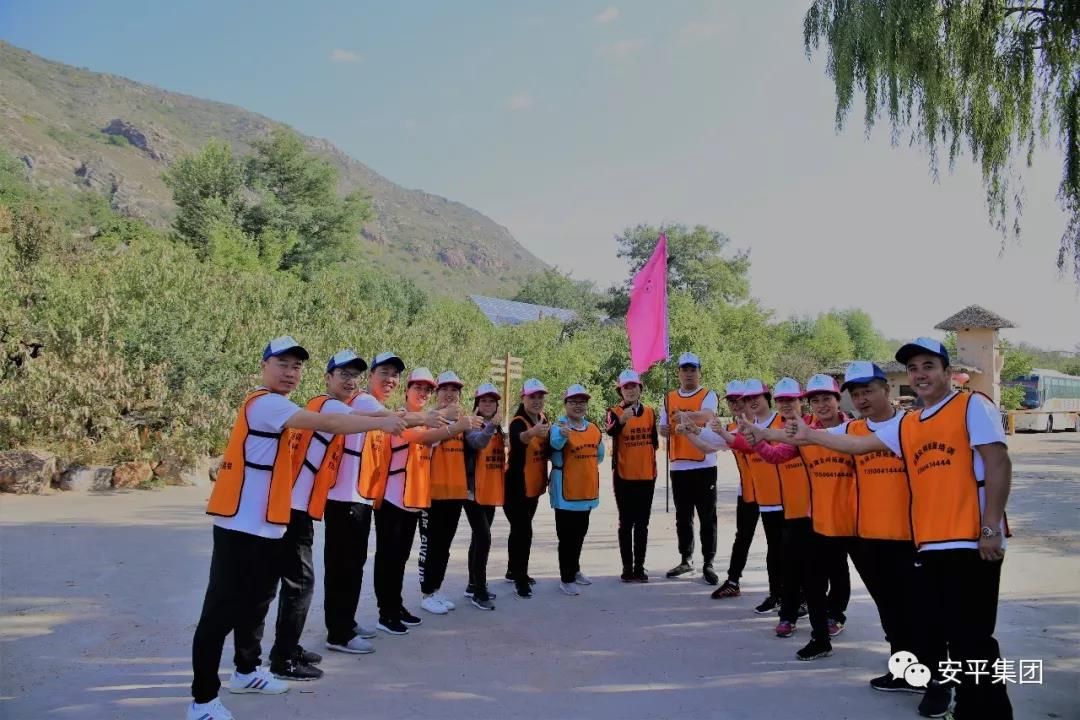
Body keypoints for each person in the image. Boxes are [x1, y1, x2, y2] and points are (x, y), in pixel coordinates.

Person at [786, 338, 1013, 719]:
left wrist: (990, 526)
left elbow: (998, 462)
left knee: (972, 637)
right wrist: (807, 435)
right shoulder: (910, 424)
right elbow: (857, 446)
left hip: (970, 539)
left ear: (946, 371)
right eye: (913, 368)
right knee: (948, 632)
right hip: (931, 542)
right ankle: (965, 705)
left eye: (928, 366)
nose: (920, 375)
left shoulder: (972, 405)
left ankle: (988, 713)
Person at [188, 337, 406, 720]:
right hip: (240, 525)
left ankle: (246, 671)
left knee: (257, 603)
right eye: (282, 364)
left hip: (269, 525)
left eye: (296, 366)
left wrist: (387, 420)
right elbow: (330, 422)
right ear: (264, 367)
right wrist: (384, 422)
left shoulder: (280, 405)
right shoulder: (266, 404)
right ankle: (202, 701)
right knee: (220, 613)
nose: (290, 373)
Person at [322, 351, 446, 655]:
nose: (390, 379)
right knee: (344, 567)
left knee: (352, 566)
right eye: (384, 373)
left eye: (394, 375)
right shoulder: (365, 402)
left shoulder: (371, 405)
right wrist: (428, 418)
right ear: (371, 377)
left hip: (361, 497)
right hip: (346, 498)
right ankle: (339, 633)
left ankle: (345, 623)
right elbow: (398, 423)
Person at [269, 349, 369, 681]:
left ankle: (288, 647)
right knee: (299, 583)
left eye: (354, 376)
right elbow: (361, 419)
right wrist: (401, 421)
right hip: (292, 509)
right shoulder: (329, 406)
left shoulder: (320, 405)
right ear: (328, 378)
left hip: (298, 508)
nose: (350, 381)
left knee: (297, 583)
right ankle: (283, 659)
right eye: (344, 375)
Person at [742, 373, 855, 660]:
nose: (821, 405)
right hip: (816, 518)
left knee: (843, 572)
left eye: (826, 398)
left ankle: (839, 616)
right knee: (813, 580)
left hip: (853, 520)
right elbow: (777, 455)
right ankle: (820, 638)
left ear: (837, 399)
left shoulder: (855, 429)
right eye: (815, 400)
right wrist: (757, 441)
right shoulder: (804, 433)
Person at [361, 367, 474, 636]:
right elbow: (420, 437)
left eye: (427, 389)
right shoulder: (399, 417)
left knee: (400, 558)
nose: (422, 393)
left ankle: (396, 605)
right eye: (417, 388)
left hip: (412, 499)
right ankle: (386, 613)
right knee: (388, 557)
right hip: (392, 499)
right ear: (406, 390)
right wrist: (454, 426)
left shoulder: (427, 421)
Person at [837, 361, 920, 693]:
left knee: (919, 606)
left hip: (912, 535)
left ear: (886, 389)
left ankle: (930, 673)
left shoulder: (913, 424)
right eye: (856, 394)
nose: (862, 399)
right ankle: (902, 667)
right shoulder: (851, 429)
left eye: (868, 391)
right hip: (869, 536)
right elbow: (808, 439)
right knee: (888, 606)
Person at [418, 371, 484, 615]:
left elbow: (477, 444)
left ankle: (436, 589)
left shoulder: (465, 420)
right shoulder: (430, 418)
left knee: (444, 545)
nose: (449, 394)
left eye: (454, 390)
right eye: (444, 389)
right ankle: (426, 593)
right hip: (432, 494)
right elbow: (426, 442)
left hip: (456, 492)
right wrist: (455, 424)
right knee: (431, 545)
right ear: (436, 393)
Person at [659, 352, 720, 584]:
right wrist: (664, 429)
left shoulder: (708, 394)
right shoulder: (669, 397)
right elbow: (664, 427)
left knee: (707, 516)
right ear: (678, 373)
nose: (688, 374)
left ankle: (708, 562)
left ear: (699, 372)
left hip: (704, 464)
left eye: (693, 369)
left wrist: (684, 416)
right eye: (684, 369)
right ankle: (686, 558)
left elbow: (706, 415)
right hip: (678, 465)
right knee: (683, 517)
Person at [549, 384, 605, 596]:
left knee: (580, 533)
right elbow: (555, 444)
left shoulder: (593, 429)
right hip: (565, 492)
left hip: (586, 490)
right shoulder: (559, 426)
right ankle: (566, 578)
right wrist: (563, 435)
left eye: (582, 402)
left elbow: (599, 455)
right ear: (565, 405)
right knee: (567, 537)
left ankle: (575, 569)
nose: (578, 406)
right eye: (573, 402)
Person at [605, 369, 658, 583]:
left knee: (642, 524)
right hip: (624, 476)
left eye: (633, 386)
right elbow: (610, 431)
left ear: (640, 388)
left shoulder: (650, 412)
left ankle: (640, 567)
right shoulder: (613, 412)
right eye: (626, 387)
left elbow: (654, 441)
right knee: (626, 523)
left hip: (647, 475)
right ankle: (627, 568)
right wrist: (621, 421)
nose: (630, 390)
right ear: (621, 391)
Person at [710, 380, 759, 599]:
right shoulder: (731, 428)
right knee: (743, 537)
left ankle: (790, 592)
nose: (735, 404)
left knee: (781, 542)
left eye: (739, 400)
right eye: (730, 401)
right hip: (747, 491)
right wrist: (691, 431)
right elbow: (708, 445)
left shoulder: (764, 424)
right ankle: (732, 581)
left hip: (775, 494)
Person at [504, 378, 551, 599]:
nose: (537, 401)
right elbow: (519, 438)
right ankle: (520, 579)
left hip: (534, 486)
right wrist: (533, 433)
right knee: (524, 532)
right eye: (532, 397)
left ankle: (512, 570)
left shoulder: (544, 419)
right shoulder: (518, 422)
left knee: (519, 530)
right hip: (516, 487)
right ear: (523, 398)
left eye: (540, 397)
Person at [461, 382, 506, 610]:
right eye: (484, 400)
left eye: (492, 401)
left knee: (478, 538)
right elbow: (478, 443)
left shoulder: (498, 429)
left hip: (491, 489)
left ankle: (473, 584)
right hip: (472, 492)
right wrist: (492, 426)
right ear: (477, 404)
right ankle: (479, 592)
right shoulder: (472, 425)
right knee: (484, 538)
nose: (488, 404)